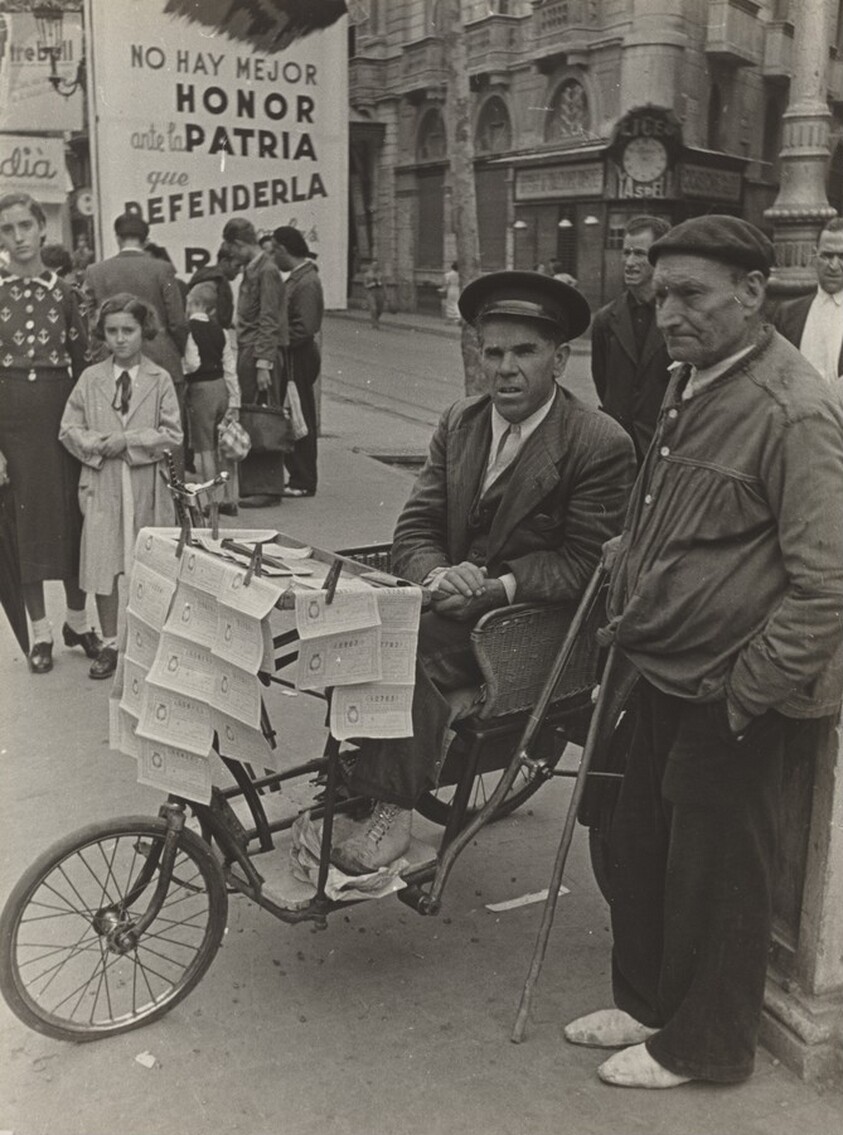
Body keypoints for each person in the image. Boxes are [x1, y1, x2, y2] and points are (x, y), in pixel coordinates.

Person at [565, 216, 843, 1089]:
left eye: (692, 294)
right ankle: (649, 1001)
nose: (668, 313)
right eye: (659, 295)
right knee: (635, 838)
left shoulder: (791, 408)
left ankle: (707, 1043)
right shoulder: (696, 378)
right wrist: (629, 558)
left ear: (753, 292)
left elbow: (827, 579)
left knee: (715, 871)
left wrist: (744, 688)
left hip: (727, 680)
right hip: (658, 660)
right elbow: (689, 516)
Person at [331, 271, 636, 875]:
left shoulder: (598, 443)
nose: (505, 368)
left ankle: (392, 813)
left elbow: (584, 563)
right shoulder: (462, 422)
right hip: (451, 601)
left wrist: (499, 587)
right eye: (492, 351)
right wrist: (440, 575)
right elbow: (414, 528)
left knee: (404, 650)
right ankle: (365, 771)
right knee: (342, 632)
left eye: (525, 351)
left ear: (560, 358)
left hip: (524, 626)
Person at [0, 192, 99, 675]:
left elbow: (84, 366)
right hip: (14, 420)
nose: (17, 238)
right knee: (27, 524)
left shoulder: (65, 293)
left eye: (24, 226)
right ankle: (40, 633)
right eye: (7, 229)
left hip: (66, 415)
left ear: (42, 228)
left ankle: (78, 623)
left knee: (74, 517)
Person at [59, 294, 182, 680]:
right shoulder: (91, 378)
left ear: (144, 331)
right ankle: (110, 643)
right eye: (111, 331)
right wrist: (100, 445)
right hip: (103, 482)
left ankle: (148, 643)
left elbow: (172, 434)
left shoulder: (158, 379)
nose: (120, 339)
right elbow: (68, 429)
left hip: (146, 483)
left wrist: (128, 441)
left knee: (149, 564)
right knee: (104, 564)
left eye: (128, 330)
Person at [591, 215, 672, 461]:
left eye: (639, 253)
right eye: (626, 253)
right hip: (618, 449)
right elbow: (603, 382)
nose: (629, 262)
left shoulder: (677, 317)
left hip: (663, 446)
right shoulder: (606, 319)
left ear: (659, 258)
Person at [84, 213, 188, 403]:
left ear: (117, 238)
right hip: (161, 359)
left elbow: (89, 321)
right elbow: (177, 321)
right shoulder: (163, 269)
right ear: (146, 240)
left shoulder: (95, 272)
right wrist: (179, 351)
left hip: (113, 361)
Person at [222, 217, 288, 508]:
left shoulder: (267, 271)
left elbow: (269, 318)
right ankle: (256, 485)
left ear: (239, 243)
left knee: (264, 417)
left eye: (231, 248)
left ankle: (267, 487)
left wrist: (264, 362)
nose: (230, 255)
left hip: (260, 353)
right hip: (250, 350)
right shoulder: (254, 270)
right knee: (252, 415)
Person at [272, 225, 324, 498]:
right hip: (295, 355)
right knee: (294, 413)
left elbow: (304, 327)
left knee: (299, 414)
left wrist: (276, 340)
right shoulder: (300, 278)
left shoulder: (305, 282)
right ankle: (298, 476)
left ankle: (303, 479)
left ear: (283, 249)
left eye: (274, 251)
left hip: (297, 357)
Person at [182, 281, 240, 516]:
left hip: (201, 391)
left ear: (194, 303)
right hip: (221, 389)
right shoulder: (222, 332)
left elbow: (193, 363)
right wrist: (235, 401)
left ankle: (209, 501)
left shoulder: (188, 330)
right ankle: (230, 498)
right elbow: (230, 368)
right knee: (224, 445)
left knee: (205, 447)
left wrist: (182, 370)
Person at [773, 217, 843, 382]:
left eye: (842, 256)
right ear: (814, 256)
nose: (833, 265)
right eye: (826, 255)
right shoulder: (788, 313)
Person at [362, 259, 385, 328]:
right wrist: (371, 284)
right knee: (373, 308)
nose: (375, 266)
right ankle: (374, 323)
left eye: (377, 265)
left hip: (379, 292)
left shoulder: (380, 274)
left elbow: (384, 285)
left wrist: (380, 283)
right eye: (374, 265)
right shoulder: (367, 274)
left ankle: (376, 319)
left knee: (380, 309)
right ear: (371, 266)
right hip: (371, 292)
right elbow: (365, 285)